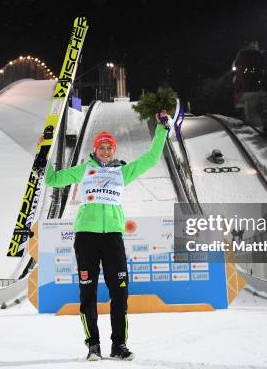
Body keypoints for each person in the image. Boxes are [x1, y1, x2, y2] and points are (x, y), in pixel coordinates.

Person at [44, 110, 171, 361]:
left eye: (109, 148)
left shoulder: (122, 172)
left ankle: (118, 345)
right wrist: (44, 154)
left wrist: (162, 129)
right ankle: (93, 346)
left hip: (113, 236)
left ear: (113, 150)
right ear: (95, 149)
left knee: (120, 292)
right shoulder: (84, 170)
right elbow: (52, 180)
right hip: (86, 236)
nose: (105, 151)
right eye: (101, 147)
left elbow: (152, 158)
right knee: (88, 293)